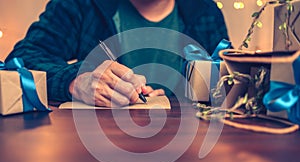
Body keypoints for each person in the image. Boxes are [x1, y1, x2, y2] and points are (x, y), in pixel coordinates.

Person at [6, 0, 229, 107]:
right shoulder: (79, 4)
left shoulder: (204, 11)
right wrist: (74, 81)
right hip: (91, 152)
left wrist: (177, 97)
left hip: (186, 151)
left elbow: (226, 81)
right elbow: (24, 57)